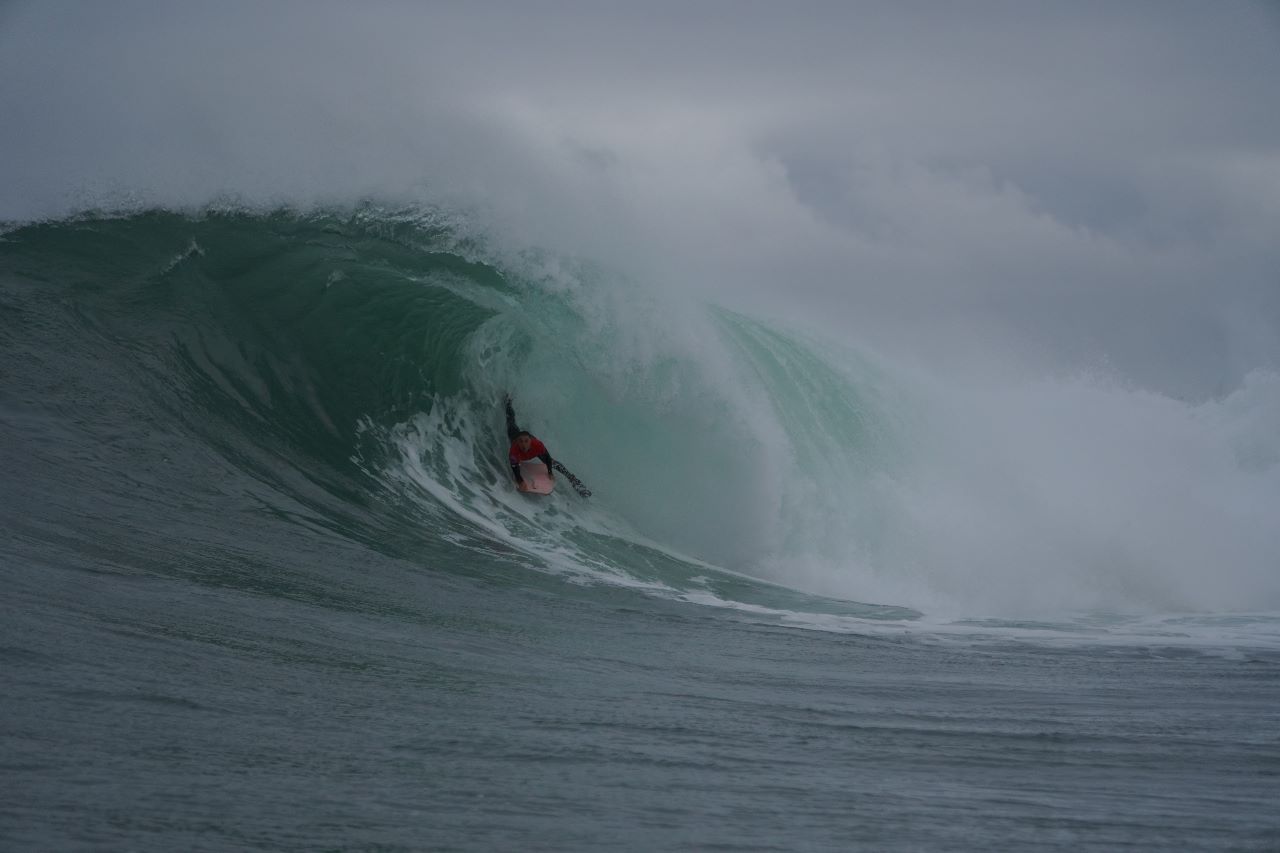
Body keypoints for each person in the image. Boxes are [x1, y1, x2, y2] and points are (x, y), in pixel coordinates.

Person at [505, 396, 554, 492]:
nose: (523, 445)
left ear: (530, 441)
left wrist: (550, 472)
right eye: (521, 442)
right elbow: (514, 468)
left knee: (549, 462)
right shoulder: (514, 451)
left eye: (526, 442)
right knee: (511, 422)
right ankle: (508, 402)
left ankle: (571, 478)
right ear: (518, 442)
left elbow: (548, 457)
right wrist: (521, 481)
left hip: (532, 446)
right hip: (514, 434)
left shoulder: (538, 445)